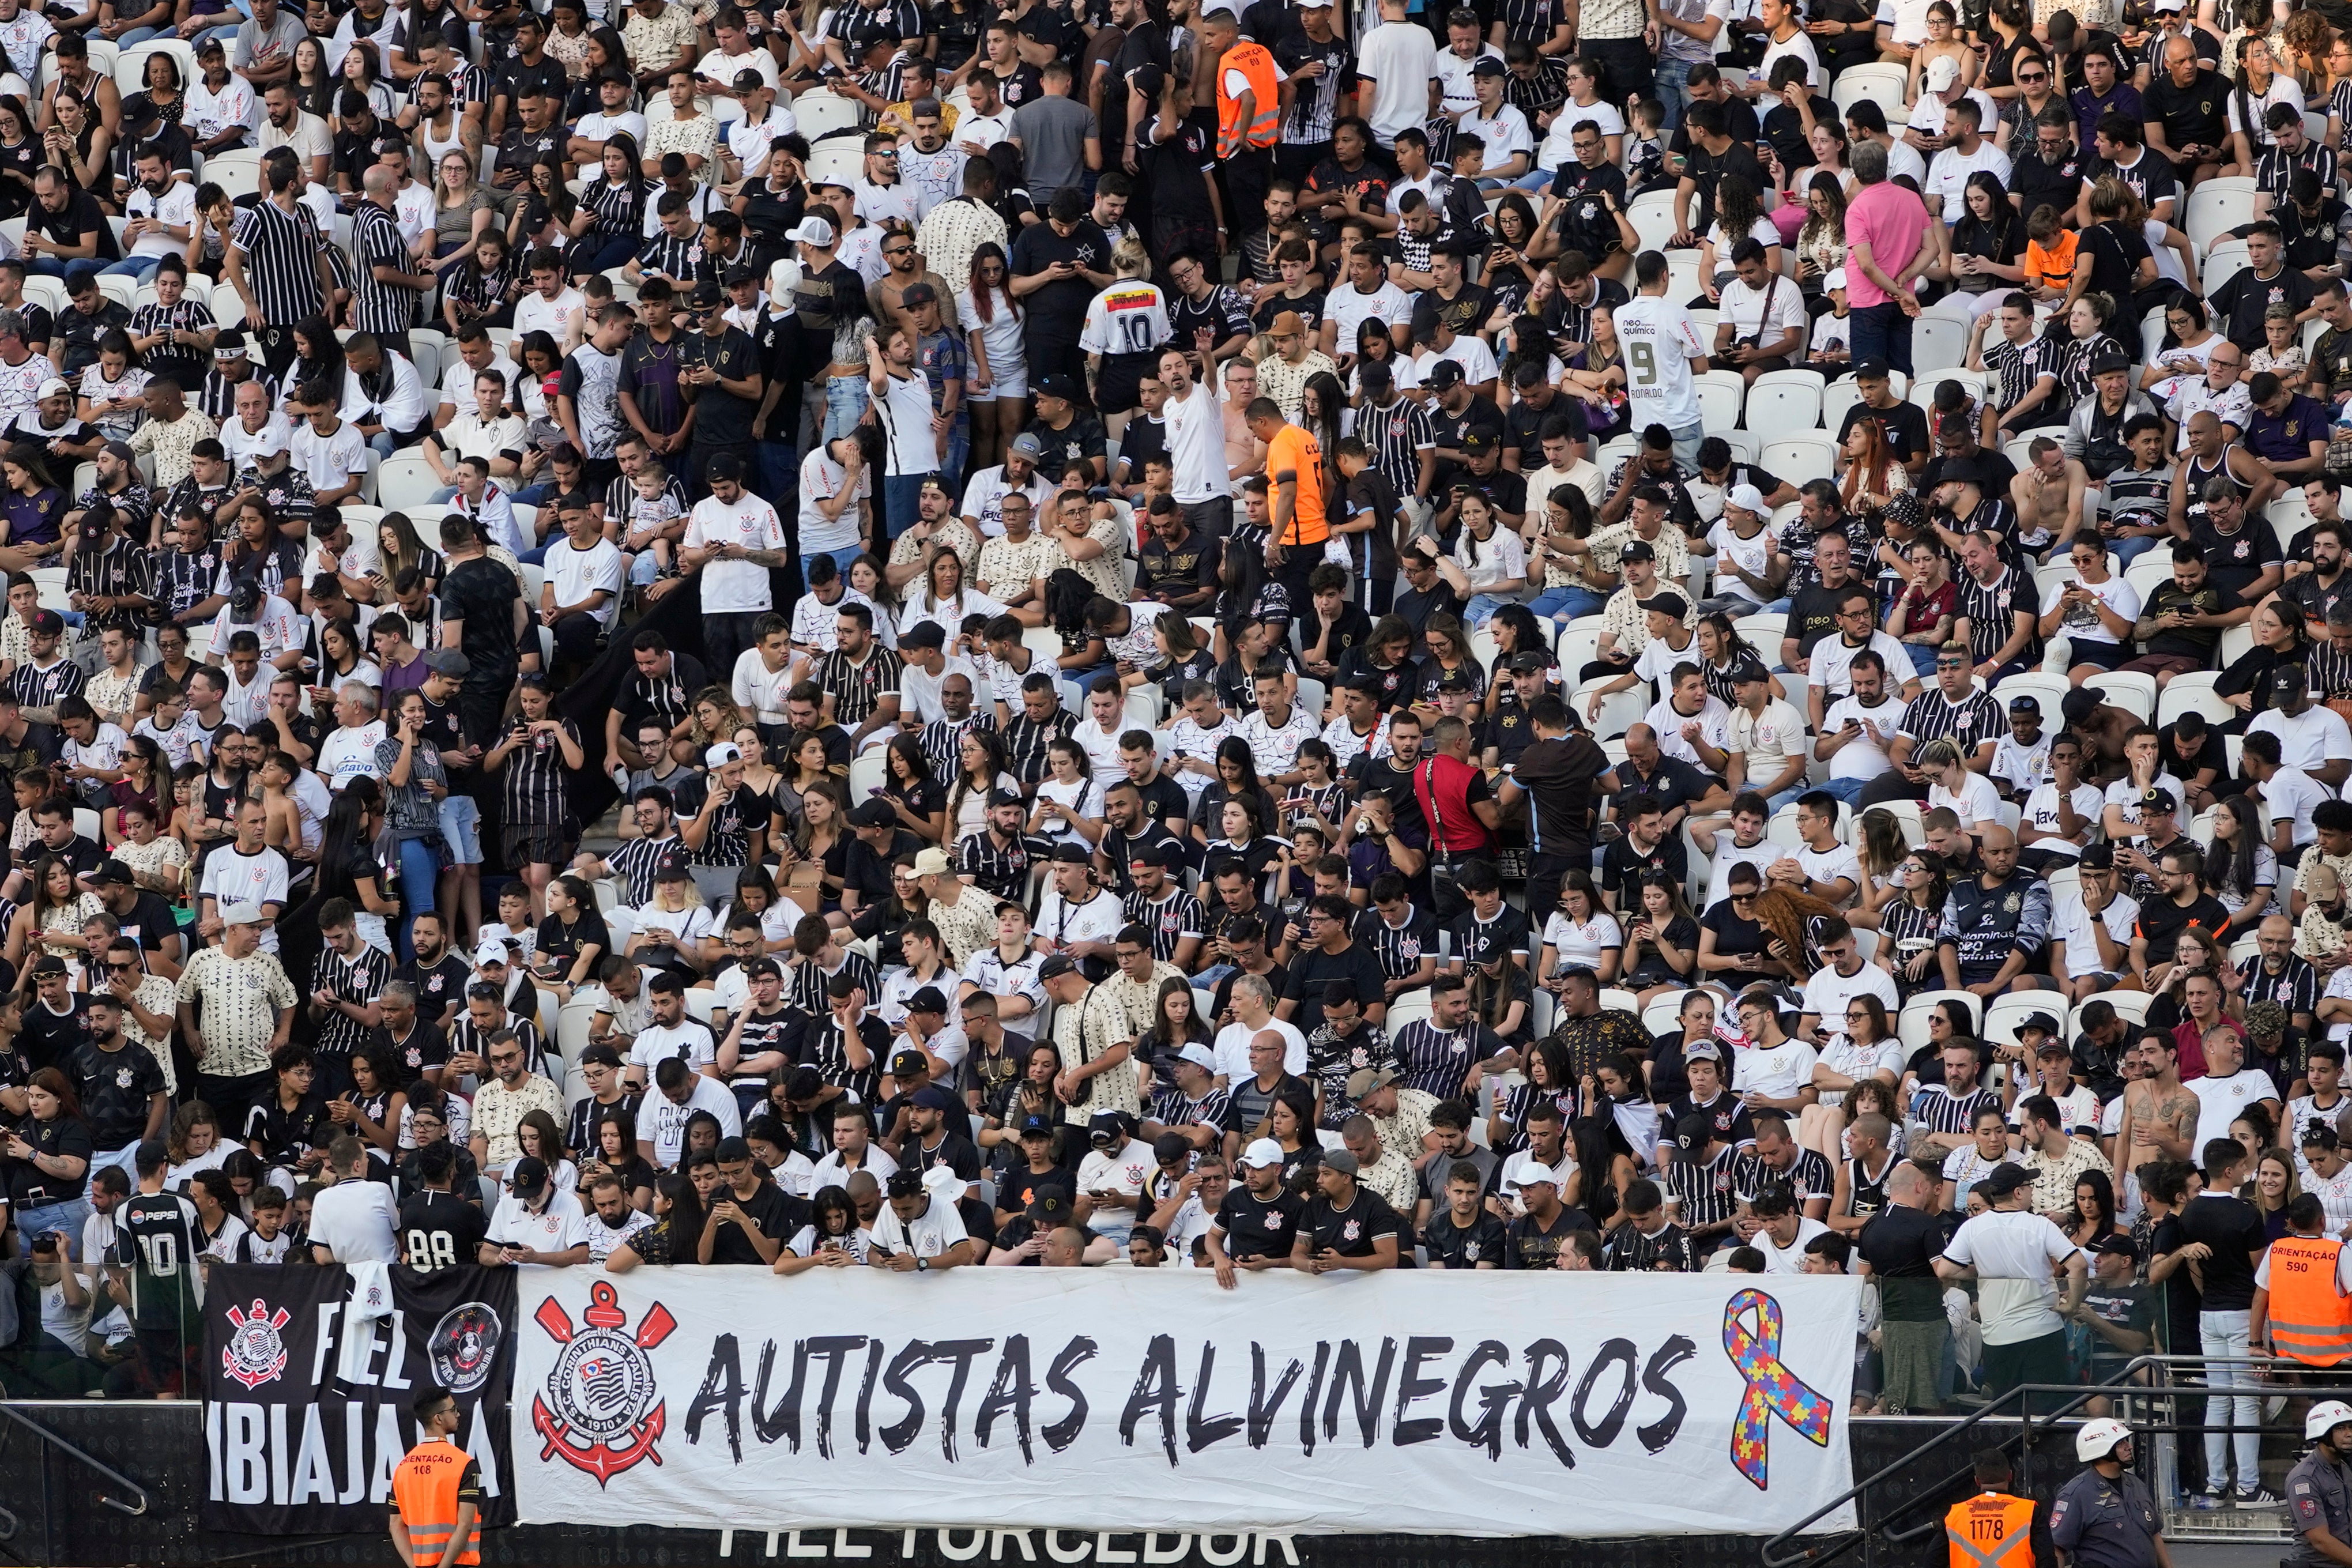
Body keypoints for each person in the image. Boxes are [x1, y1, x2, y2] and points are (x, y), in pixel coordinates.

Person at [1934, 1162, 2087, 1410]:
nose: (2031, 1191)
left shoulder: (1973, 1227)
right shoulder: (2040, 1225)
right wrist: (2072, 1306)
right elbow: (2078, 1265)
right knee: (2046, 1415)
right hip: (2043, 1332)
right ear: (2018, 1192)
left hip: (1998, 1336)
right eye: (2028, 1186)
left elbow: (1945, 1270)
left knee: (2009, 1414)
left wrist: (1978, 1271)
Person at [2049, 1419, 2172, 1568]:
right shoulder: (2076, 1493)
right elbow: (2057, 1548)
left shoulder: (2137, 1485)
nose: (2130, 1447)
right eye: (2121, 1444)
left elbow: (2154, 1535)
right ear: (2103, 1450)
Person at [389, 1387, 483, 1568]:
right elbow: (465, 1525)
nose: (458, 1414)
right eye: (453, 1410)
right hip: (458, 1563)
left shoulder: (403, 1467)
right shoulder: (463, 1464)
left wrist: (413, 1565)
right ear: (438, 1419)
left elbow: (395, 1525)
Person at [2287, 1401, 2352, 1568]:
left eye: (2351, 1427)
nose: (2349, 1434)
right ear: (2323, 1434)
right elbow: (2320, 1540)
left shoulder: (2344, 1468)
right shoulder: (2304, 1478)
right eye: (2340, 1429)